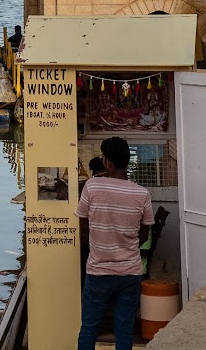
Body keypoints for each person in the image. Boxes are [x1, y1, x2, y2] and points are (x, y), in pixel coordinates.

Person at [76, 136, 153, 350]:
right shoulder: (142, 194)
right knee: (124, 329)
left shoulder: (92, 187)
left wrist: (97, 245)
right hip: (130, 272)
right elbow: (143, 235)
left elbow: (83, 224)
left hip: (98, 271)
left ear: (108, 163)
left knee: (89, 329)